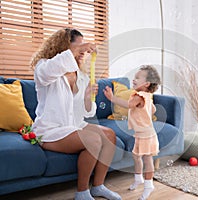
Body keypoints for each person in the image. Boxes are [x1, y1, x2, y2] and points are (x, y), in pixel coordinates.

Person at [30, 28, 122, 200]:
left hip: (73, 125)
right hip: (50, 129)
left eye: (84, 47)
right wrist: (79, 48)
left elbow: (86, 111)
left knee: (110, 135)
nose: (84, 51)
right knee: (93, 139)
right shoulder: (45, 67)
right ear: (64, 46)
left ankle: (98, 186)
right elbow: (47, 72)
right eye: (79, 46)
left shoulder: (81, 75)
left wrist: (87, 97)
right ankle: (82, 192)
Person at [104, 65, 161, 200]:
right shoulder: (148, 96)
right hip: (144, 133)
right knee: (136, 156)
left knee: (147, 159)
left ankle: (148, 185)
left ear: (146, 83)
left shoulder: (139, 95)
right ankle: (138, 178)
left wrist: (112, 98)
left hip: (146, 135)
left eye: (137, 78)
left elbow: (128, 104)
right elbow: (153, 110)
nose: (133, 80)